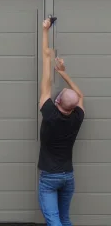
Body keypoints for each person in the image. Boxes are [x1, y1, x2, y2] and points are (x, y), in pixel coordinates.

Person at [38, 18, 85, 226]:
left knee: (54, 221)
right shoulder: (77, 117)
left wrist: (45, 31)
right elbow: (80, 96)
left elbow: (45, 76)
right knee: (65, 219)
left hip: (50, 178)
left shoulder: (49, 113)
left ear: (57, 101)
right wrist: (64, 74)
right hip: (68, 178)